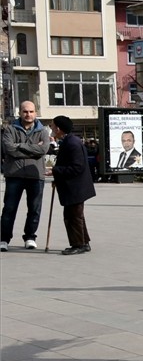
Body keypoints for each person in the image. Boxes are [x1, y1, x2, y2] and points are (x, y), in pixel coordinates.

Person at [1, 101, 51, 251]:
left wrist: (20, 145)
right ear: (20, 113)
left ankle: (30, 237)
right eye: (25, 112)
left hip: (35, 175)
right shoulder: (10, 129)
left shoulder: (42, 131)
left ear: (35, 113)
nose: (28, 114)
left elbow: (43, 149)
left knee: (34, 208)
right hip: (14, 175)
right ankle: (3, 238)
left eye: (31, 111)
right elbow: (9, 148)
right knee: (9, 208)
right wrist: (32, 149)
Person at [49, 116, 95, 255]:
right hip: (74, 187)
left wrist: (55, 170)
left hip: (76, 187)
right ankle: (83, 242)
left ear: (58, 128)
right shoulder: (69, 141)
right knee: (76, 215)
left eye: (52, 126)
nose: (51, 128)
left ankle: (78, 244)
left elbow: (76, 167)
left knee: (73, 216)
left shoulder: (72, 143)